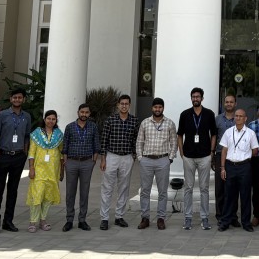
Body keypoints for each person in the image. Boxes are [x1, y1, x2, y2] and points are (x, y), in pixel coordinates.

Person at [0, 88, 31, 234]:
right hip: (3, 156)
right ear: (10, 99)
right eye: (15, 97)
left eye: (20, 97)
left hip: (18, 157)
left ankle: (8, 221)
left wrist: (25, 153)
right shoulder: (2, 115)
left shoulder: (27, 116)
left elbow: (27, 136)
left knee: (13, 190)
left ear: (23, 99)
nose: (17, 100)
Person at [177, 86, 218, 230]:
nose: (196, 99)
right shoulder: (185, 114)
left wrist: (211, 152)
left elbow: (213, 134)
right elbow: (179, 135)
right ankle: (187, 218)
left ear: (202, 98)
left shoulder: (209, 114)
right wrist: (181, 152)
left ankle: (204, 217)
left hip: (205, 156)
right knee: (188, 188)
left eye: (198, 96)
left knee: (204, 188)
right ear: (191, 98)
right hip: (188, 156)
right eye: (193, 97)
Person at [136, 97, 177, 230]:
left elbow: (174, 142)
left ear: (163, 108)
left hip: (162, 160)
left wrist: (170, 158)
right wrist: (140, 158)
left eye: (160, 107)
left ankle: (161, 218)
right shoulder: (145, 123)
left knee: (162, 191)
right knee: (145, 191)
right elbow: (139, 141)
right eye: (155, 107)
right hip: (146, 160)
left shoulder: (169, 123)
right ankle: (145, 218)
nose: (157, 109)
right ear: (152, 108)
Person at [99, 94, 137, 230]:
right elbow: (104, 139)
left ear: (129, 105)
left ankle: (119, 216)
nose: (124, 106)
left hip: (127, 157)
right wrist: (103, 159)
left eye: (126, 104)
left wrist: (133, 156)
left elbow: (135, 140)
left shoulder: (134, 121)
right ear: (118, 105)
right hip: (111, 156)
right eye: (122, 104)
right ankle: (104, 218)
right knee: (107, 187)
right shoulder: (110, 120)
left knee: (124, 188)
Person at [218, 108, 259, 232]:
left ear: (245, 118)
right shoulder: (228, 132)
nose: (238, 118)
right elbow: (224, 151)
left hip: (244, 167)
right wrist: (223, 168)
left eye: (241, 116)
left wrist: (245, 157)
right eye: (236, 116)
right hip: (230, 166)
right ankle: (225, 221)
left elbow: (255, 150)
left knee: (245, 196)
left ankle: (246, 223)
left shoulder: (250, 133)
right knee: (229, 196)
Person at [61, 103, 100, 232]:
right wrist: (66, 162)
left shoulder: (93, 127)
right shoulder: (70, 127)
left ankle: (82, 220)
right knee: (70, 192)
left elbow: (96, 145)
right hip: (71, 162)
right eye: (82, 112)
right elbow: (65, 145)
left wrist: (93, 161)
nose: (84, 114)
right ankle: (69, 220)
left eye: (86, 112)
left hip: (87, 162)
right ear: (78, 112)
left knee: (84, 192)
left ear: (89, 114)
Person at [26, 109, 63, 232]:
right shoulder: (36, 134)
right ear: (44, 119)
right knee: (37, 194)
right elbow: (31, 152)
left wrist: (62, 170)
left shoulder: (59, 135)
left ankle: (43, 220)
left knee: (48, 196)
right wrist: (31, 168)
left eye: (53, 119)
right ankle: (33, 221)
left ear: (56, 120)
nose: (51, 121)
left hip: (52, 170)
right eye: (49, 118)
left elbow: (61, 153)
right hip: (39, 169)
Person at [214, 94, 238, 226]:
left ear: (235, 104)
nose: (229, 104)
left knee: (233, 187)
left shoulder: (239, 118)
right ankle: (220, 215)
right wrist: (212, 155)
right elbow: (213, 137)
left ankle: (233, 216)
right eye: (227, 102)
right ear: (224, 104)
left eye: (231, 102)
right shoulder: (217, 119)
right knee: (220, 187)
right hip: (219, 155)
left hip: (234, 157)